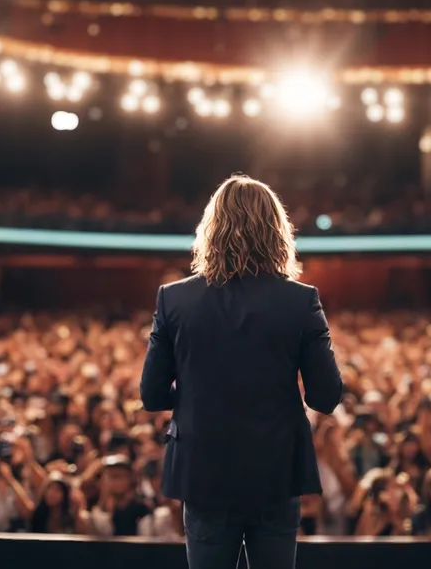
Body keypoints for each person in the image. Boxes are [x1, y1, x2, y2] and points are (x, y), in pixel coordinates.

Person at [139, 174, 343, 569]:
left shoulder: (174, 299)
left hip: (202, 470)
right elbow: (326, 396)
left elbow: (151, 395)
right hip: (276, 472)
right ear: (276, 231)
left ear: (210, 230)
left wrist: (199, 397)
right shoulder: (300, 301)